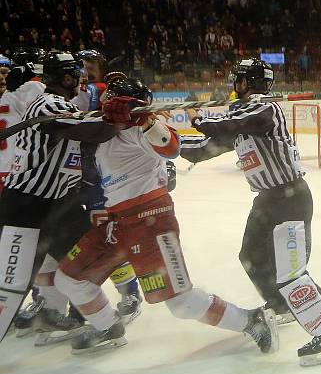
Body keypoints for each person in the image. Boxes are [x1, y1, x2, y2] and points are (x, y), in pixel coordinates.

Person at [53, 77, 278, 354]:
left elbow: (172, 147)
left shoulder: (142, 126)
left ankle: (251, 320)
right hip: (115, 223)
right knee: (68, 278)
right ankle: (107, 327)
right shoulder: (101, 130)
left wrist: (145, 120)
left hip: (151, 221)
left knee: (182, 303)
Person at [180, 57, 321, 366]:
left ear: (246, 82)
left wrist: (198, 116)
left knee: (291, 275)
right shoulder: (241, 116)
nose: (234, 83)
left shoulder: (264, 110)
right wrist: (163, 139)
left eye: (238, 78)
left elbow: (233, 124)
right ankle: (280, 306)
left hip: (290, 200)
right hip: (267, 201)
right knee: (251, 257)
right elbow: (205, 148)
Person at [0, 51, 120, 343]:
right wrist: (119, 117)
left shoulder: (57, 103)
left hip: (59, 203)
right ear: (66, 78)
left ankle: (105, 324)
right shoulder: (48, 103)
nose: (81, 79)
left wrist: (115, 114)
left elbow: (88, 125)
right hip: (27, 206)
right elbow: (93, 131)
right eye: (77, 74)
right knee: (12, 283)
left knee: (84, 265)